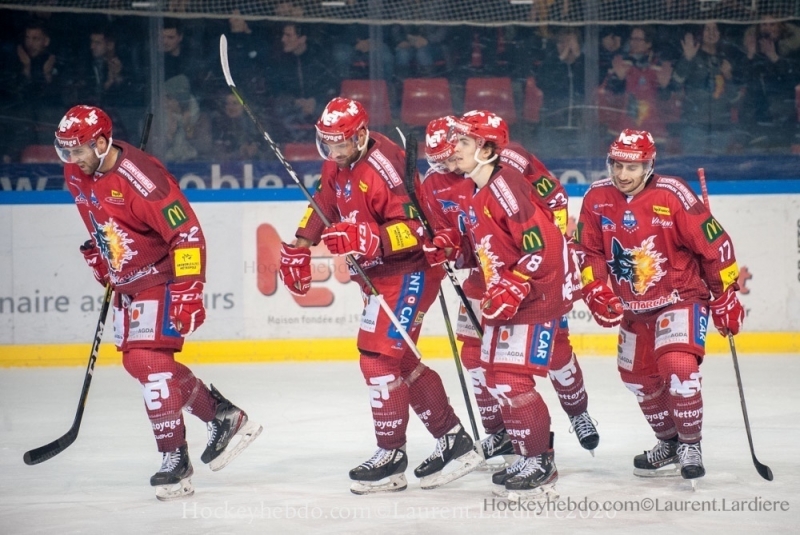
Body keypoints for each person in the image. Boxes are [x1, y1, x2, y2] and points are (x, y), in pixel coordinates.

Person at [54, 105, 262, 500]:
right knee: (138, 361)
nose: (72, 159)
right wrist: (104, 253)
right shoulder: (76, 172)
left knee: (150, 363)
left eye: (78, 150)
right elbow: (98, 217)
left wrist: (189, 288)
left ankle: (174, 459)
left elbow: (186, 233)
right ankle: (222, 416)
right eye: (65, 151)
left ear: (101, 142)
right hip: (129, 280)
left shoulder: (143, 180)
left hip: (162, 277)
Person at [278, 97, 481, 495]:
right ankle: (453, 440)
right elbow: (321, 202)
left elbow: (418, 231)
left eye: (340, 143)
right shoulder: (337, 163)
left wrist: (369, 237)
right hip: (379, 275)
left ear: (360, 135)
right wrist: (300, 245)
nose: (333, 151)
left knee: (377, 360)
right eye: (327, 143)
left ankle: (390, 456)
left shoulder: (387, 167)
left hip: (411, 271)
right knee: (400, 360)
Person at [420, 114, 599, 471]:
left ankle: (572, 415)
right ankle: (506, 433)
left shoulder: (507, 171)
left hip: (530, 277)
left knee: (550, 355)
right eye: (440, 156)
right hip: (487, 273)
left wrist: (538, 266)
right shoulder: (446, 184)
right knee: (481, 362)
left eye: (456, 148)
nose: (448, 160)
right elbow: (463, 237)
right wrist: (449, 247)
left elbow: (551, 213)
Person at [574, 129, 744, 484]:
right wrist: (594, 287)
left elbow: (715, 246)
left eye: (632, 167)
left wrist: (725, 294)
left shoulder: (672, 192)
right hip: (634, 309)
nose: (623, 174)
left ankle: (691, 445)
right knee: (637, 379)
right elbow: (588, 250)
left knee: (678, 367)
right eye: (617, 165)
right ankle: (668, 441)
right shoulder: (596, 197)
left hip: (680, 298)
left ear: (649, 166)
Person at [447, 110, 578, 498]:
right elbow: (494, 249)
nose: (455, 149)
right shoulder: (480, 190)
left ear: (487, 149)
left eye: (464, 143)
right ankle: (529, 453)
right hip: (511, 298)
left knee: (510, 380)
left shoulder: (504, 185)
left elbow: (546, 244)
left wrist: (517, 282)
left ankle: (541, 460)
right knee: (496, 379)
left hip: (535, 297)